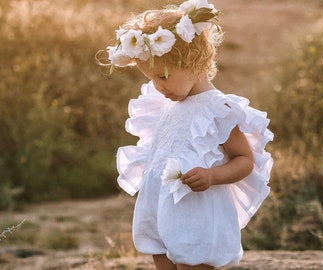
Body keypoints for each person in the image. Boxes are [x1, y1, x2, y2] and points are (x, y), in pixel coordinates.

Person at [98, 0, 273, 269]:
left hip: (197, 211)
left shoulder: (216, 109)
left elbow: (244, 160)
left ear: (194, 60)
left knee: (193, 260)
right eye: (152, 78)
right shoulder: (165, 106)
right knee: (159, 253)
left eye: (163, 76)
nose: (157, 86)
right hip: (161, 208)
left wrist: (212, 175)